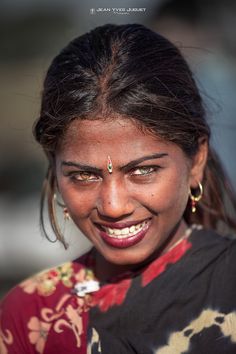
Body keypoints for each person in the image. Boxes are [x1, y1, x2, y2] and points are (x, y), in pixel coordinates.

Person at [1, 23, 236, 354]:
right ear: (54, 168)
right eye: (84, 176)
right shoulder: (31, 318)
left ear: (195, 160)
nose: (113, 206)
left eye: (143, 171)